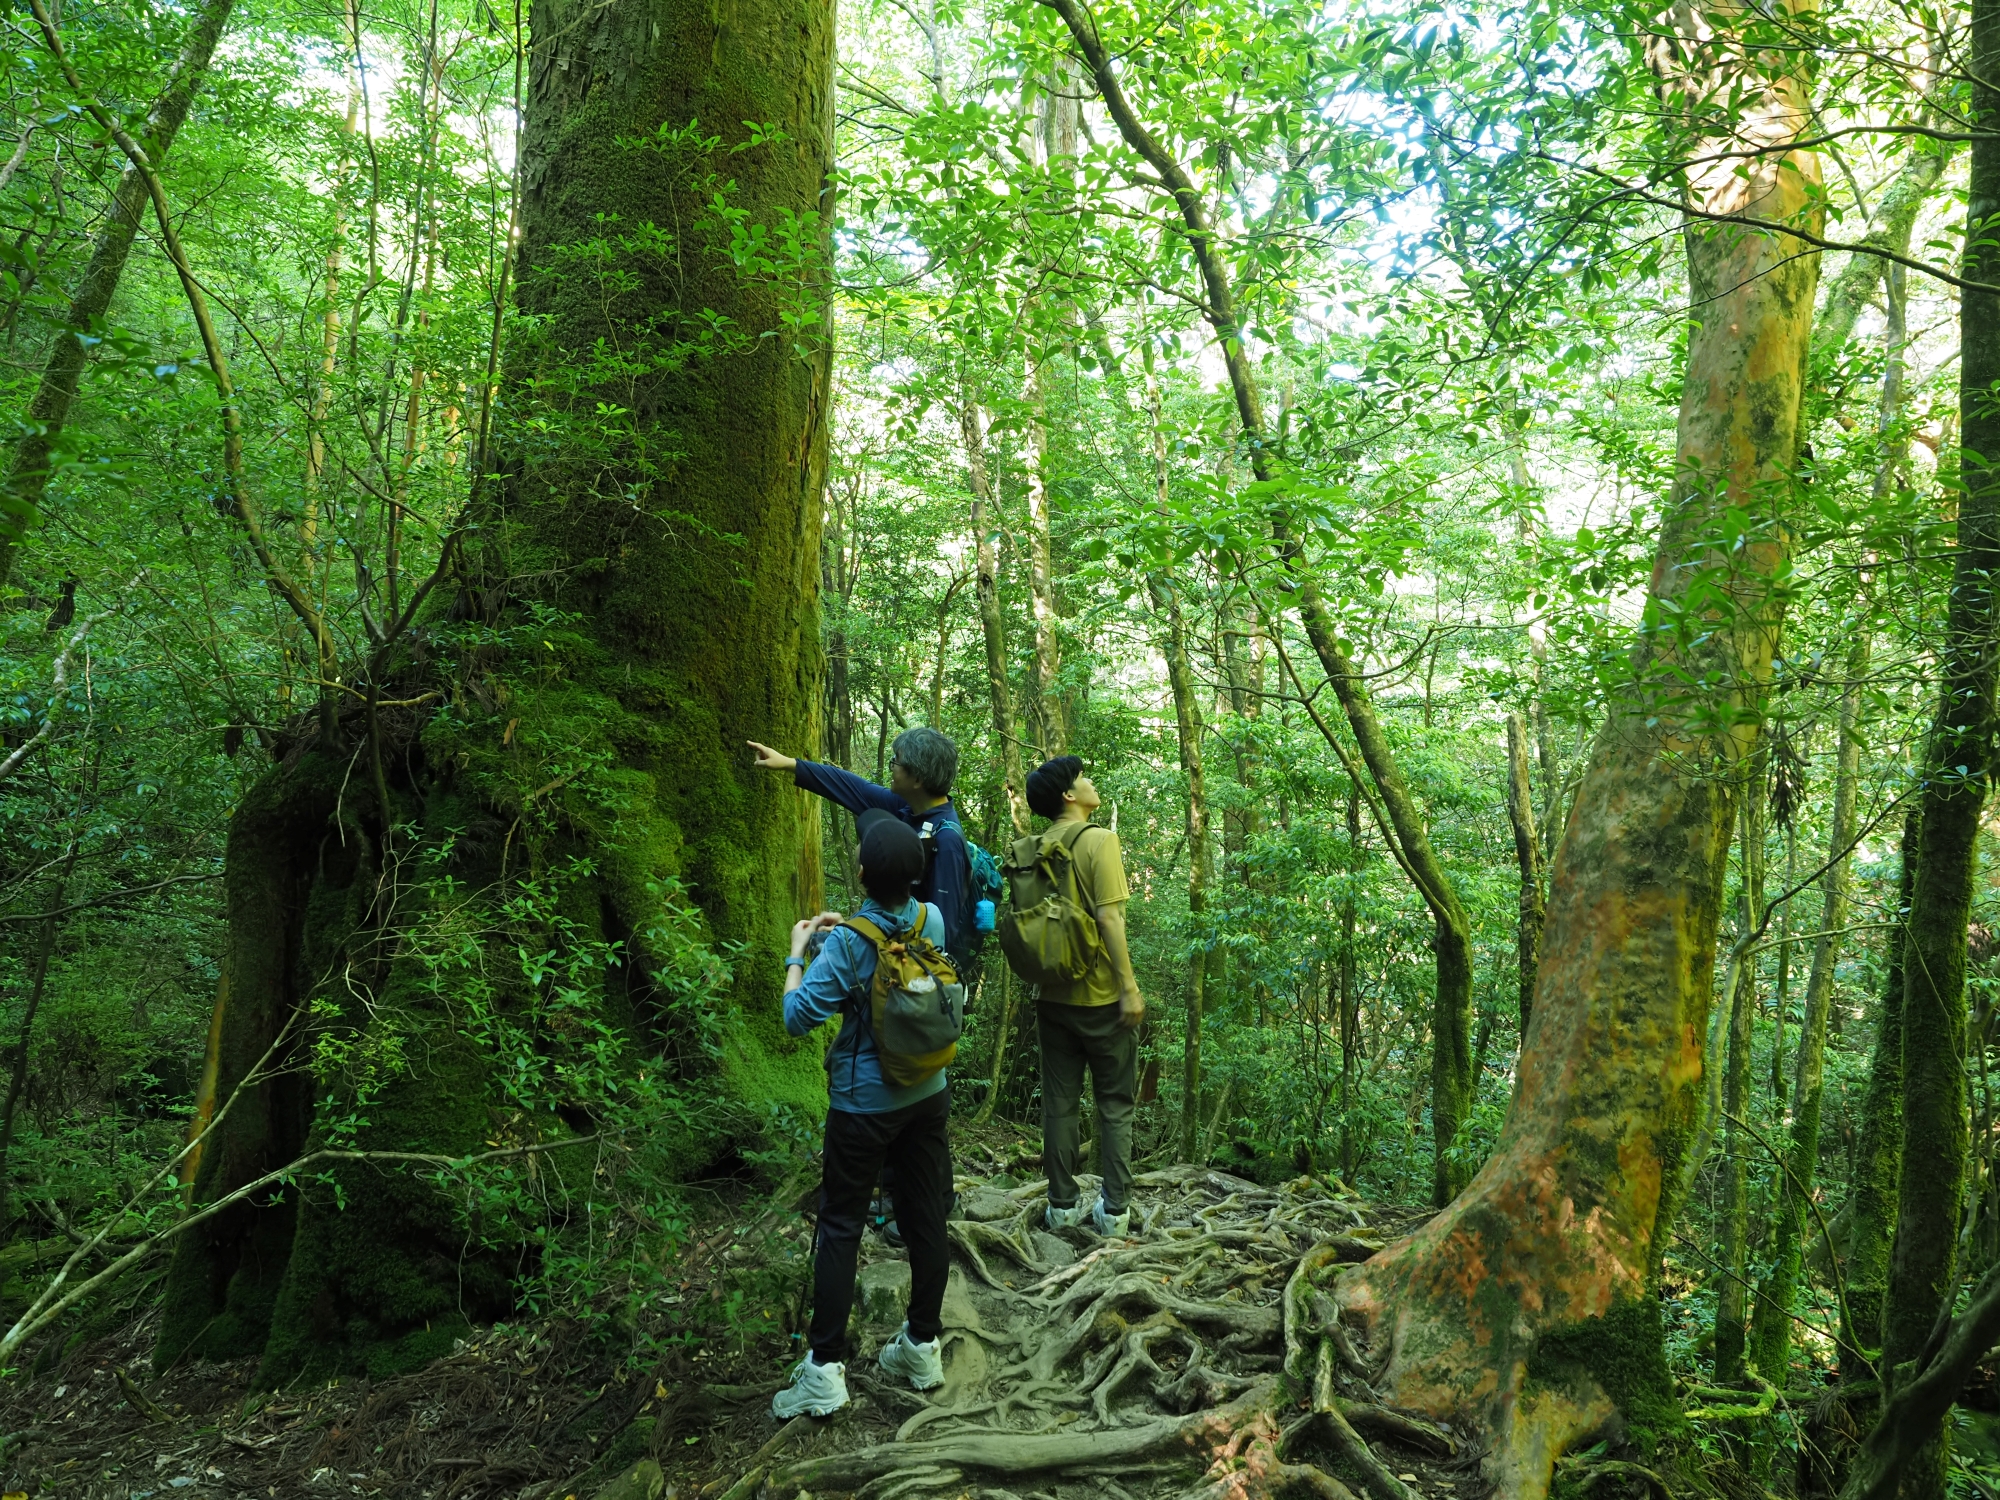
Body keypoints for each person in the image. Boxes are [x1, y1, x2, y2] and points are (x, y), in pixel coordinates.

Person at [770, 810, 956, 1419]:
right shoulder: (933, 919)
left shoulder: (848, 943)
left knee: (843, 1224)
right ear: (917, 874)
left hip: (863, 1107)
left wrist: (801, 954)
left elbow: (799, 1018)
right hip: (928, 1092)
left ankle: (823, 1370)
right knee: (926, 1214)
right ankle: (922, 1346)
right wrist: (840, 933)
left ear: (860, 872)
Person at [1025, 754, 1145, 1237]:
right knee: (1114, 1103)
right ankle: (1114, 1212)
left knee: (1059, 1103)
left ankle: (1062, 1205)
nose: (1090, 781)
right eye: (1081, 777)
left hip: (1050, 998)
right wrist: (1129, 989)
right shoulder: (1100, 841)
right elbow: (1110, 921)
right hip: (1100, 999)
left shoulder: (1030, 847)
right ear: (1070, 796)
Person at [747, 729, 976, 977]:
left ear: (917, 779)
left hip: (910, 981)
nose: (891, 768)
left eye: (896, 762)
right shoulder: (909, 808)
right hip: (889, 963)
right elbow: (854, 788)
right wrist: (790, 764)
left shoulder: (947, 840)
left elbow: (942, 932)